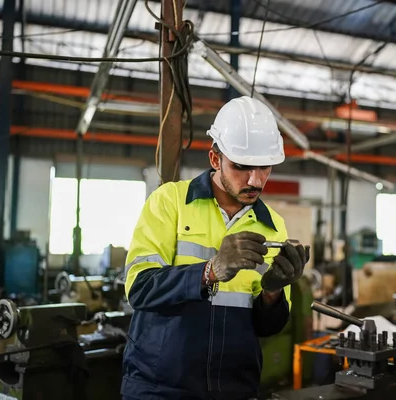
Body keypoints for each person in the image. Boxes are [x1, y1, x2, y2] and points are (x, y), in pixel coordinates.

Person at [120, 96, 308, 400]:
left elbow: (268, 328)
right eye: (242, 166)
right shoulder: (170, 202)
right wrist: (210, 271)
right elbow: (140, 289)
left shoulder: (273, 225)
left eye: (265, 168)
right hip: (161, 389)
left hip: (234, 389)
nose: (255, 180)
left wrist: (273, 293)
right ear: (215, 159)